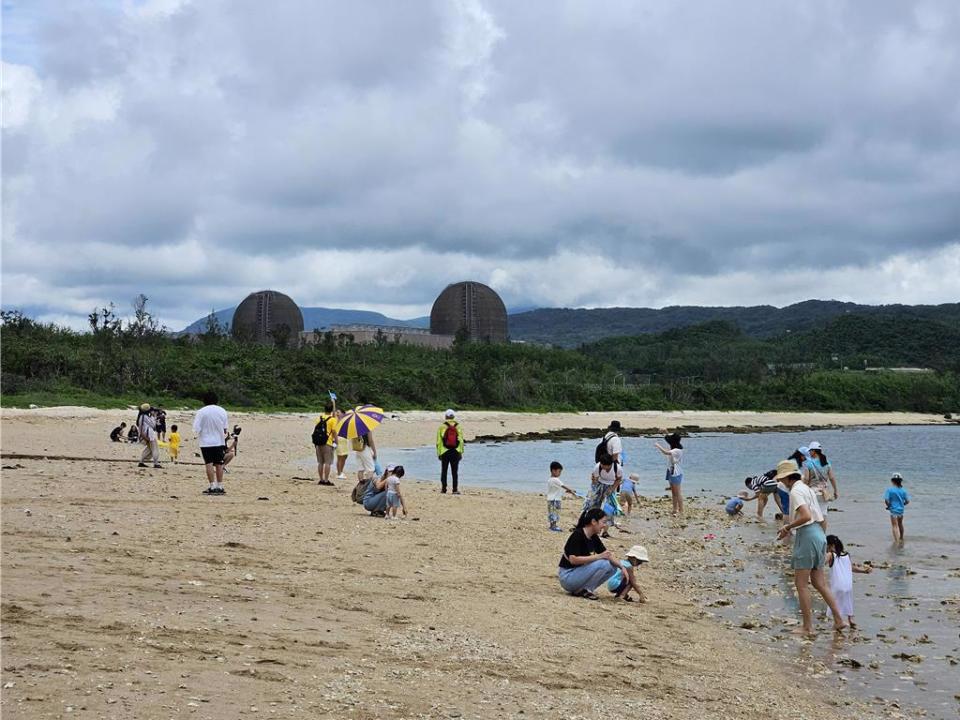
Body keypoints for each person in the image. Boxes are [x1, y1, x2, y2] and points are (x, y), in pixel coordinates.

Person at [775, 459, 846, 637]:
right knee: (819, 583)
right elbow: (819, 518)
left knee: (801, 584)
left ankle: (807, 627)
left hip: (807, 535)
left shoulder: (796, 491)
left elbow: (805, 515)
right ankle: (839, 619)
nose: (781, 482)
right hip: (819, 534)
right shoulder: (806, 488)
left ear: (786, 478)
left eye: (782, 479)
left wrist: (787, 527)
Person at [557, 508, 620, 600]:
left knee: (613, 567)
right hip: (567, 576)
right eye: (603, 522)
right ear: (594, 521)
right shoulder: (578, 535)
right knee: (604, 563)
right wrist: (598, 557)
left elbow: (607, 554)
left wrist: (622, 568)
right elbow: (573, 560)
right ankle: (587, 589)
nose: (604, 525)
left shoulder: (593, 536)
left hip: (577, 574)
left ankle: (584, 590)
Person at [825, 534, 872, 629]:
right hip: (848, 585)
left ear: (831, 545)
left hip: (837, 584)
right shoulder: (846, 554)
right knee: (848, 600)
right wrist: (863, 571)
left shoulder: (830, 555)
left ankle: (837, 622)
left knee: (834, 602)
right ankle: (851, 620)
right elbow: (851, 568)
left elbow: (822, 562)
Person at [193, 391, 229, 495]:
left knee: (208, 464)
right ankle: (220, 485)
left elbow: (196, 428)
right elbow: (225, 429)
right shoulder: (222, 411)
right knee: (219, 464)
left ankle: (212, 486)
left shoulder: (201, 411)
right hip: (219, 441)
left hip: (206, 442)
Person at [580, 453, 623, 536]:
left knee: (609, 508)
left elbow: (618, 479)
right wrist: (594, 492)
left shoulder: (618, 468)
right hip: (599, 483)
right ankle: (590, 526)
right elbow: (594, 481)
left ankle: (605, 531)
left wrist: (612, 489)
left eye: (604, 465)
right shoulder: (597, 467)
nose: (602, 466)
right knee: (592, 505)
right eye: (601, 464)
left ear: (610, 464)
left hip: (611, 485)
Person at [804, 441, 839, 528]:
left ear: (814, 451)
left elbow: (806, 479)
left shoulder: (808, 463)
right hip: (824, 493)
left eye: (810, 451)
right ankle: (823, 536)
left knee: (812, 515)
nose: (809, 452)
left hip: (812, 492)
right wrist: (835, 490)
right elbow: (831, 478)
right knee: (823, 515)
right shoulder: (827, 462)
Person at [436, 409, 464, 494]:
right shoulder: (458, 426)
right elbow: (461, 440)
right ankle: (455, 489)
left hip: (445, 451)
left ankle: (444, 489)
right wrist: (461, 452)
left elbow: (438, 441)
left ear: (446, 416)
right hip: (455, 451)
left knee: (444, 471)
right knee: (454, 472)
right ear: (453, 417)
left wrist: (439, 453)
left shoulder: (441, 427)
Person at [655, 432, 684, 515]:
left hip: (676, 473)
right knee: (673, 492)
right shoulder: (674, 447)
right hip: (670, 471)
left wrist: (658, 446)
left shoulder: (677, 450)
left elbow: (666, 452)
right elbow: (668, 439)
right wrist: (665, 432)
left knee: (677, 492)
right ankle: (675, 509)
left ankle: (681, 510)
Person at [546, 461, 578, 532]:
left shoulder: (550, 480)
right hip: (554, 500)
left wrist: (567, 491)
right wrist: (571, 490)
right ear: (553, 471)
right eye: (559, 471)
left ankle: (553, 525)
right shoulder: (555, 479)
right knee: (555, 512)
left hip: (551, 499)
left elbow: (557, 489)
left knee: (553, 512)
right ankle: (553, 526)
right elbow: (563, 486)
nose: (560, 473)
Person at [312, 401, 338, 485]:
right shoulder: (333, 420)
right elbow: (334, 431)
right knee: (327, 462)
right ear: (331, 410)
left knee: (320, 462)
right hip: (328, 442)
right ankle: (326, 480)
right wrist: (336, 442)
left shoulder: (319, 418)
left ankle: (321, 479)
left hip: (318, 442)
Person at [884, 473, 910, 543]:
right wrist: (902, 504)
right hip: (901, 511)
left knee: (894, 526)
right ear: (900, 481)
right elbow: (907, 501)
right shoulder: (903, 490)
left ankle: (897, 541)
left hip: (893, 511)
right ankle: (901, 537)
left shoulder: (889, 490)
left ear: (892, 481)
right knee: (900, 524)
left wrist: (889, 506)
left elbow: (886, 500)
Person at [136, 403, 161, 469]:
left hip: (147, 435)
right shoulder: (144, 417)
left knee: (149, 449)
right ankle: (156, 463)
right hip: (148, 435)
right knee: (155, 448)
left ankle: (141, 462)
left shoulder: (142, 416)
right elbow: (153, 425)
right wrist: (154, 416)